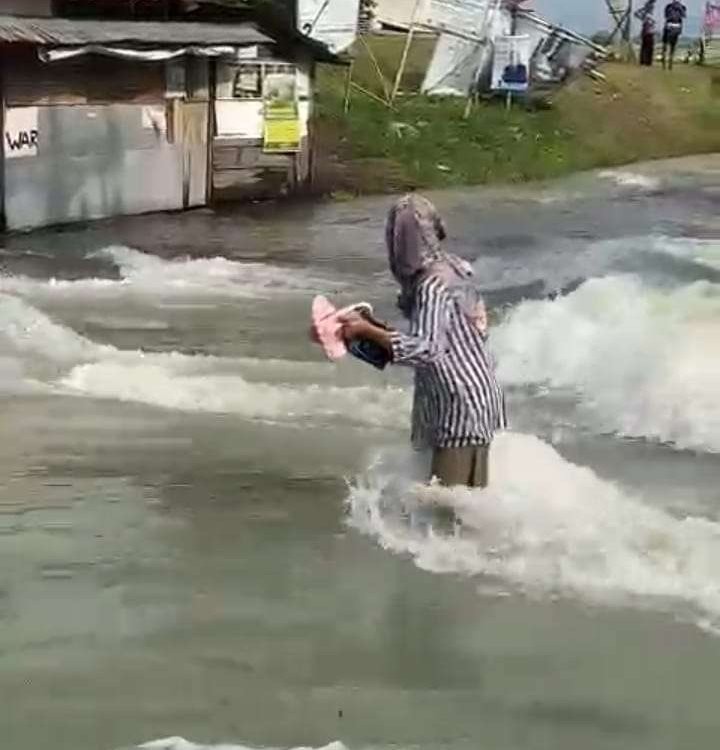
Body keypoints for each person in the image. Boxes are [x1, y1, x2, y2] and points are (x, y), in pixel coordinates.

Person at [341, 194, 506, 488]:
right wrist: (371, 328)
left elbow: (426, 350)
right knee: (467, 506)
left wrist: (366, 331)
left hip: (457, 406)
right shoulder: (455, 270)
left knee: (448, 510)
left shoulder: (431, 286)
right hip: (477, 397)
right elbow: (447, 339)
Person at [662, 0, 687, 69]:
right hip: (674, 27)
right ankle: (668, 60)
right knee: (670, 45)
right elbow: (684, 15)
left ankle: (667, 60)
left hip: (671, 27)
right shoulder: (679, 7)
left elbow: (666, 15)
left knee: (667, 45)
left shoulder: (670, 6)